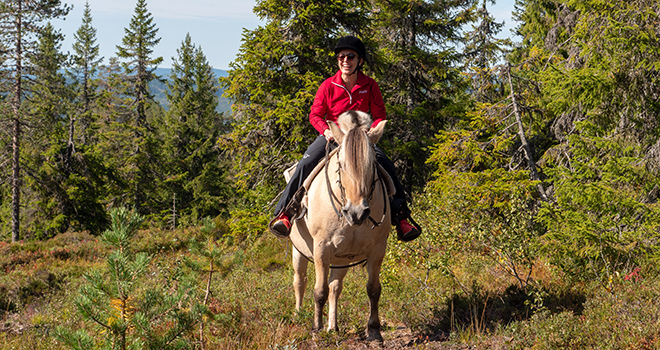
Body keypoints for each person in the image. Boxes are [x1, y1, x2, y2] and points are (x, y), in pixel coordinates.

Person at [269, 35, 421, 242]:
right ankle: (285, 214)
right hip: (333, 136)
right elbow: (315, 115)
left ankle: (402, 219)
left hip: (361, 140)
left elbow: (380, 116)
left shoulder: (370, 85)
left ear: (360, 61)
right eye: (341, 57)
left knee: (387, 166)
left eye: (350, 56)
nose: (345, 61)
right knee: (306, 163)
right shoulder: (328, 86)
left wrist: (371, 131)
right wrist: (325, 131)